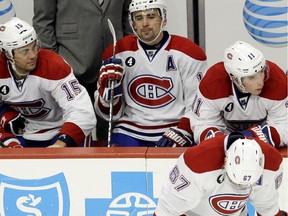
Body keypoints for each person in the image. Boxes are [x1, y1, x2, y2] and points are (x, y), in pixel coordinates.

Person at [94, 0, 207, 147]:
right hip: (130, 128)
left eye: (151, 16)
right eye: (139, 18)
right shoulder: (117, 52)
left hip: (174, 126)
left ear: (163, 19)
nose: (145, 23)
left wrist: (183, 130)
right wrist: (108, 94)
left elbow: (198, 104)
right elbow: (111, 115)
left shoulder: (188, 52)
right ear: (132, 23)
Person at [32, 0, 133, 141]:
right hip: (71, 64)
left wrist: (129, 51)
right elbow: (42, 22)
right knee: (74, 131)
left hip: (113, 63)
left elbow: (127, 15)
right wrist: (56, 61)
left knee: (110, 132)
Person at [158, 41, 287, 148]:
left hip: (262, 141)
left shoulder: (277, 81)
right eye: (251, 77)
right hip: (225, 135)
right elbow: (203, 123)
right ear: (234, 78)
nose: (260, 81)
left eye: (261, 72)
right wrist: (223, 142)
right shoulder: (213, 82)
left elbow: (284, 125)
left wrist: (251, 137)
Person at [0, 17, 96, 148]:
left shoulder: (53, 65)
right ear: (8, 55)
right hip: (25, 132)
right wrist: (5, 117)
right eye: (24, 51)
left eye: (34, 47)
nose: (33, 55)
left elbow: (83, 112)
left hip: (60, 130)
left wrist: (61, 143)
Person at [154, 133, 287, 215]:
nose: (240, 190)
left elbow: (267, 208)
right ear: (225, 161)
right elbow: (167, 211)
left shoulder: (272, 163)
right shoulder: (196, 162)